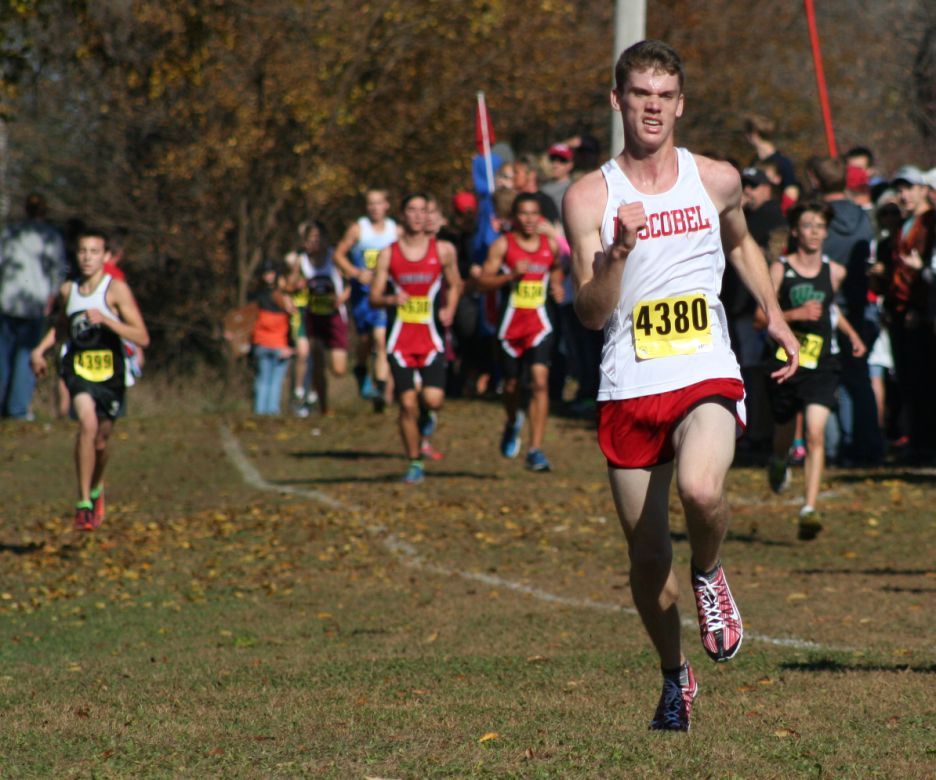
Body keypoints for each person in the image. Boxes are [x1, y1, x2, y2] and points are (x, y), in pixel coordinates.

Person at [564, 40, 799, 732]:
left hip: (705, 369)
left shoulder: (717, 178)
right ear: (618, 101)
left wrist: (775, 314)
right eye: (640, 94)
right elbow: (590, 311)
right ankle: (675, 677)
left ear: (681, 103)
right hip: (629, 382)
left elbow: (741, 243)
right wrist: (615, 257)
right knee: (645, 561)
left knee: (701, 490)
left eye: (665, 95)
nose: (653, 107)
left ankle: (712, 572)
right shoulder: (590, 196)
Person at [758, 201, 866, 539]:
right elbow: (762, 318)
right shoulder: (780, 269)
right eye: (808, 225)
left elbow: (831, 309)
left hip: (822, 363)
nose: (816, 231)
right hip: (786, 363)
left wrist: (851, 334)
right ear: (795, 231)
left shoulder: (834, 271)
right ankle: (779, 461)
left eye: (821, 225)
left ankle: (809, 508)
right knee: (784, 432)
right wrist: (795, 315)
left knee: (816, 433)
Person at [29, 228, 149, 530]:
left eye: (94, 252)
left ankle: (96, 488)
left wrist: (108, 320)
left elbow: (142, 336)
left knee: (101, 441)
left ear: (106, 256)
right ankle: (83, 504)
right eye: (83, 251)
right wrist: (41, 350)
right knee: (87, 423)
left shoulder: (116, 290)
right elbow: (62, 327)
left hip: (110, 373)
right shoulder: (69, 290)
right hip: (78, 368)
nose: (87, 257)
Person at [369, 194, 461, 484]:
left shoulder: (443, 250)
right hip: (400, 341)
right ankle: (414, 462)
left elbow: (456, 283)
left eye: (425, 210)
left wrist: (450, 308)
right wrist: (391, 298)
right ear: (403, 215)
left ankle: (425, 420)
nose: (419, 215)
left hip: (431, 338)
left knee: (432, 400)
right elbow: (373, 297)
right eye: (412, 209)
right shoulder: (389, 253)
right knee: (406, 403)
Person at [478, 193, 563, 470]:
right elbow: (483, 282)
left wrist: (557, 285)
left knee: (539, 380)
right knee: (512, 386)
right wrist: (509, 277)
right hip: (511, 322)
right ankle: (513, 420)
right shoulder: (503, 245)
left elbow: (557, 268)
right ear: (514, 217)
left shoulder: (549, 244)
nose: (529, 220)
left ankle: (535, 449)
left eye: (534, 214)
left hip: (540, 322)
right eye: (523, 214)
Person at [0, 193, 67, 420]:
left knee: (4, 356)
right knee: (25, 357)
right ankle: (18, 409)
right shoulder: (50, 236)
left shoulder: (10, 233)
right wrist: (53, 296)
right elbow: (58, 270)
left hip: (7, 302)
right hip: (33, 304)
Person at [333, 188, 398, 412]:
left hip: (383, 294)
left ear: (386, 205)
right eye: (370, 203)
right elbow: (338, 254)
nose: (374, 207)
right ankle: (360, 369)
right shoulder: (358, 228)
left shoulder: (394, 230)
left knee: (381, 340)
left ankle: (380, 391)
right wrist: (355, 272)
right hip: (362, 296)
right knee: (366, 340)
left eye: (378, 203)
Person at [303, 221, 350, 416]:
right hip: (313, 317)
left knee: (339, 369)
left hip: (335, 317)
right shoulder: (302, 261)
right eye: (310, 238)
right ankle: (324, 407)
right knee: (316, 360)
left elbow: (350, 283)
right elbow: (289, 284)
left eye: (317, 237)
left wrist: (342, 298)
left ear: (325, 238)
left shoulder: (335, 258)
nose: (314, 242)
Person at [249, 260, 294, 415]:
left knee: (264, 380)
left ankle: (261, 412)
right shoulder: (282, 297)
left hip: (269, 344)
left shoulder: (256, 295)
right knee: (272, 381)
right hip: (274, 344)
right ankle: (270, 412)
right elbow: (292, 320)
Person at [743, 114, 800, 211]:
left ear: (754, 134)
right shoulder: (754, 161)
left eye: (747, 133)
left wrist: (781, 213)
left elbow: (791, 193)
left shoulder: (783, 162)